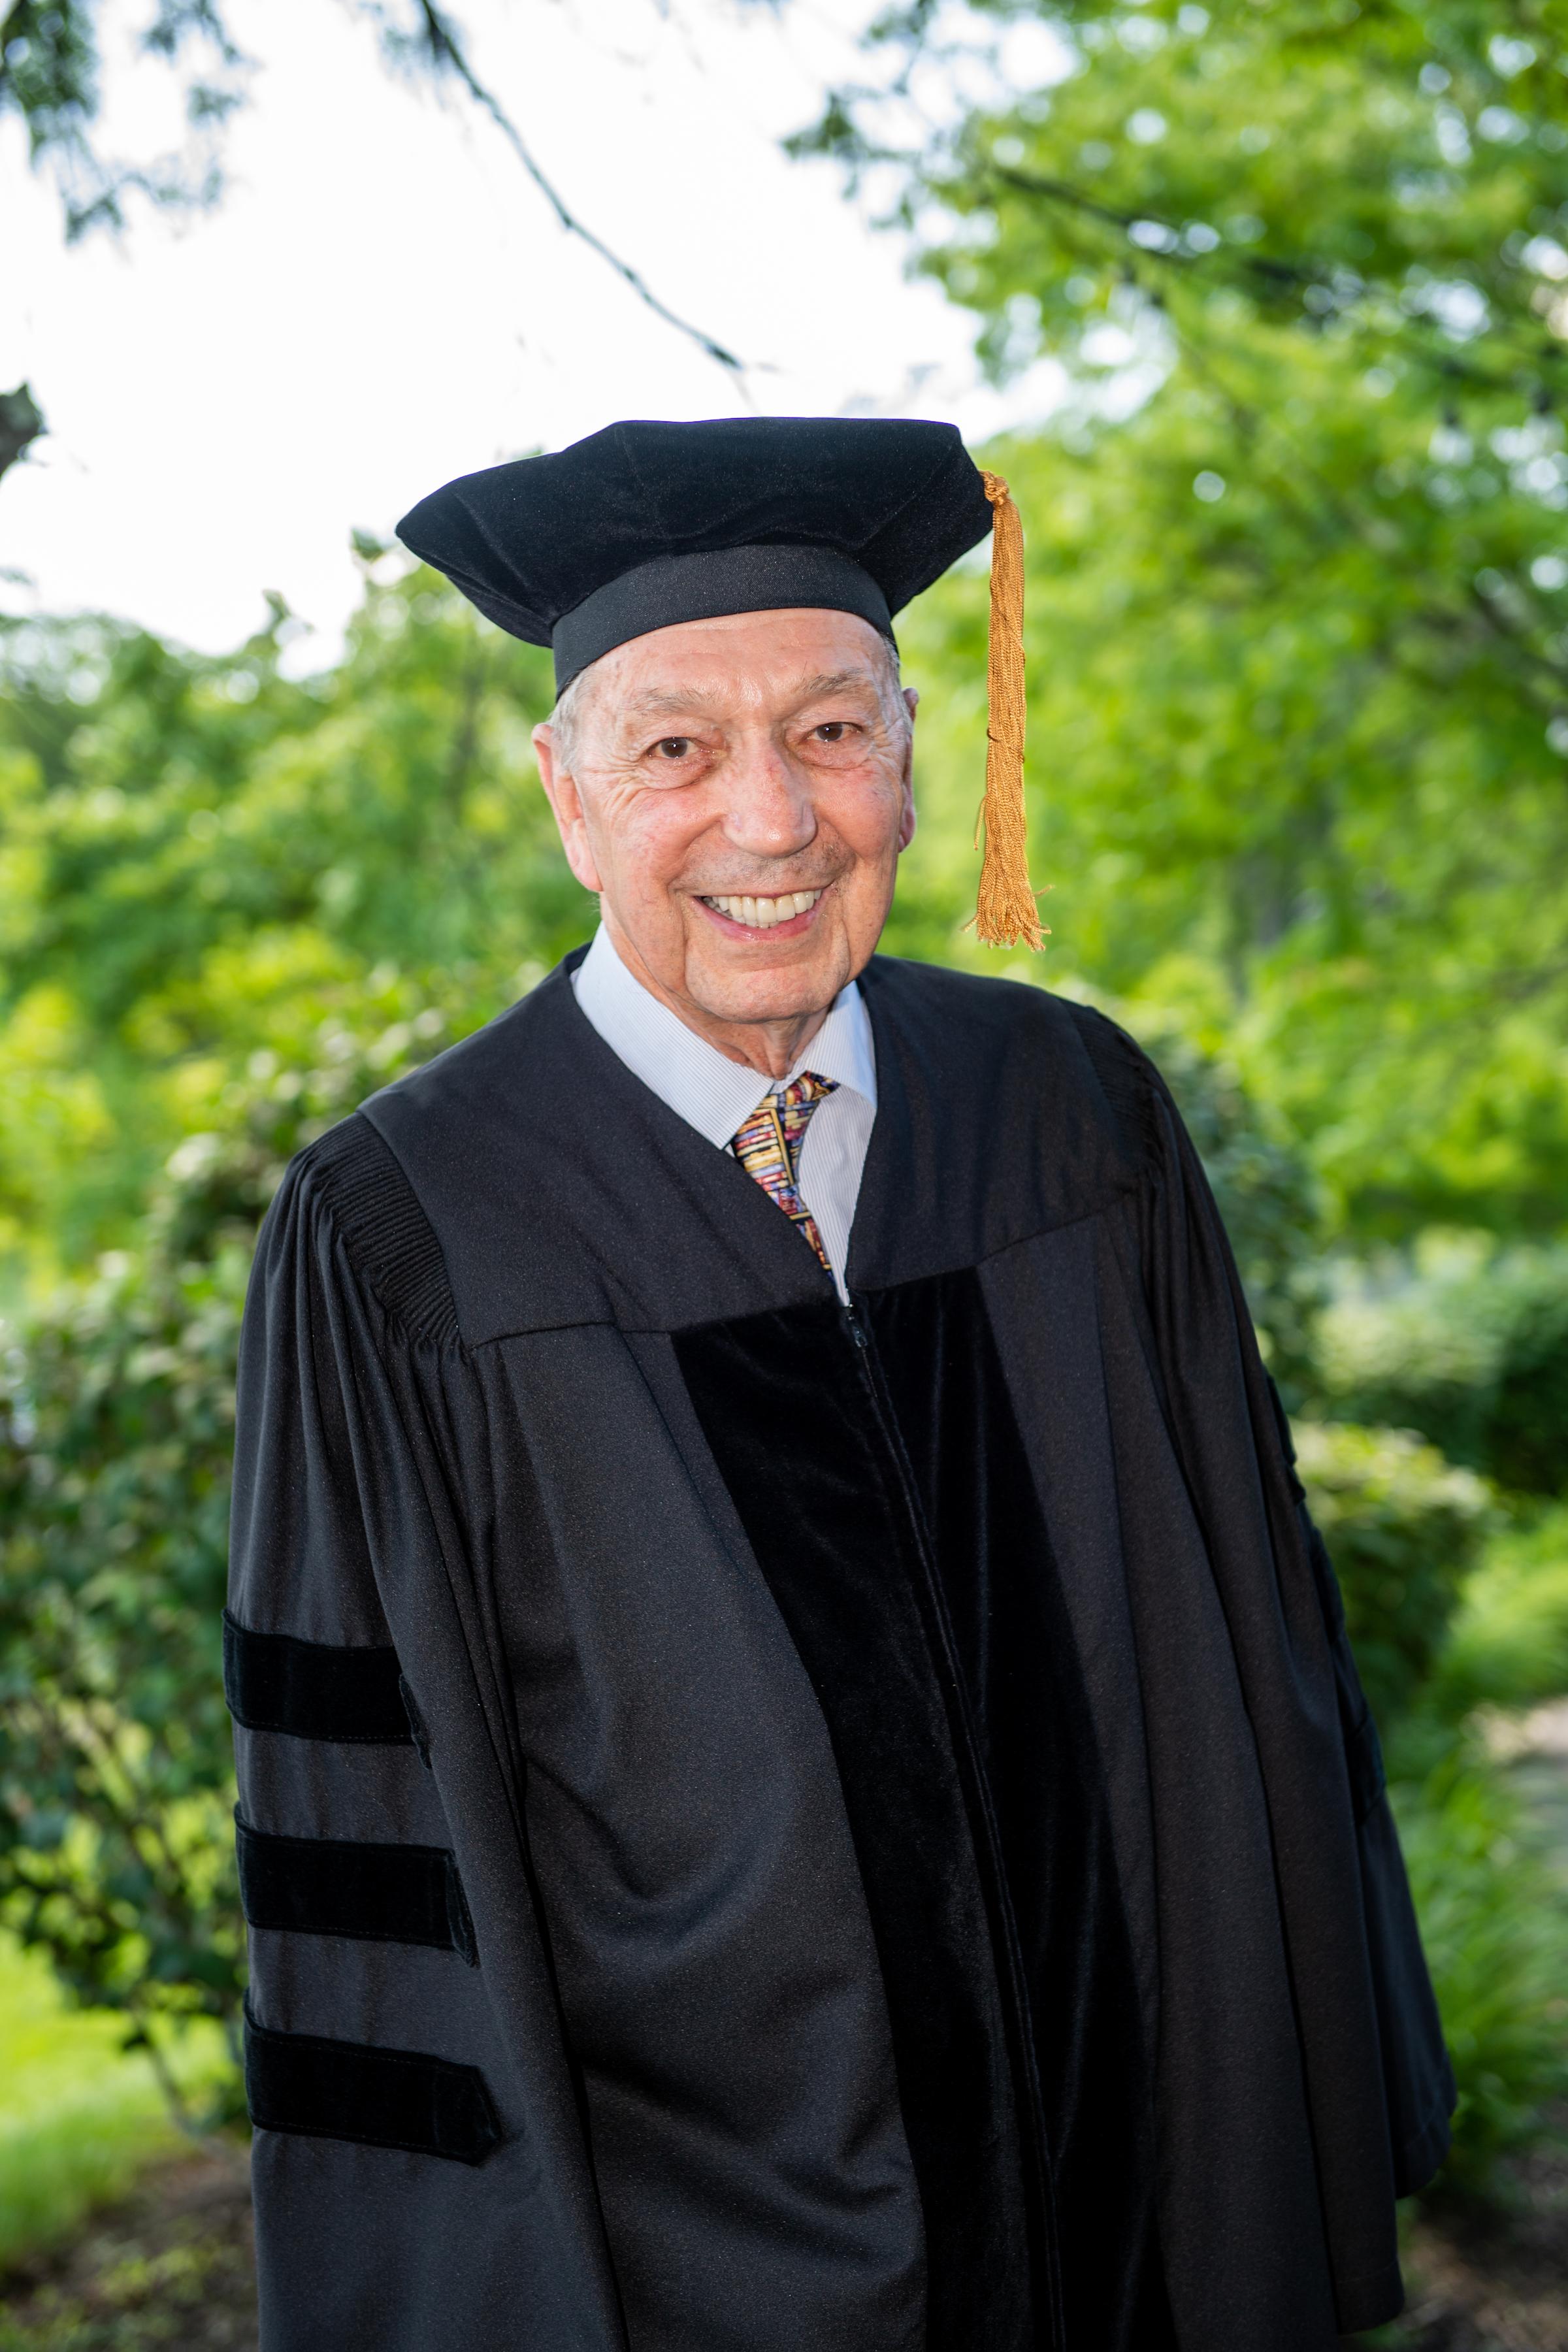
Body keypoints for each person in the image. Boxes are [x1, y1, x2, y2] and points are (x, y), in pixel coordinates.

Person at [225, 416, 1452, 2352]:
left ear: (911, 755)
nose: (774, 823)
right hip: (711, 2260)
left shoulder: (1075, 1122)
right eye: (677, 749)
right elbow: (367, 1845)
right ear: (567, 798)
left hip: (1157, 2205)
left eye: (830, 731)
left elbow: (1263, 1660)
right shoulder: (410, 1238)